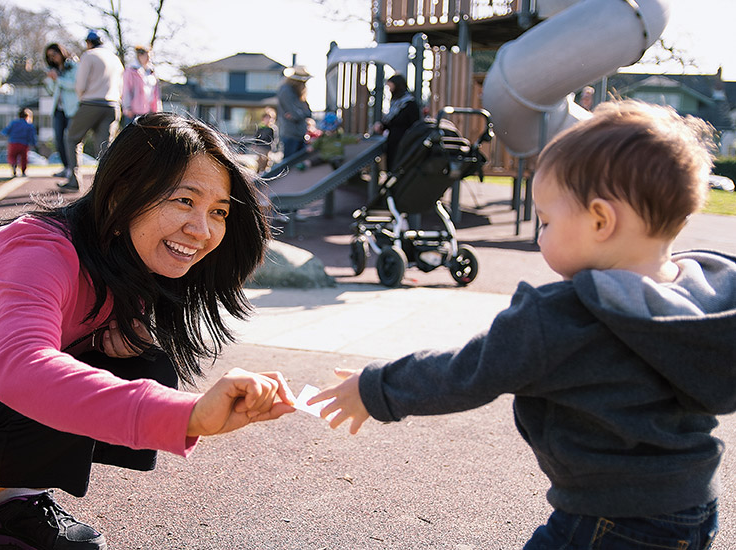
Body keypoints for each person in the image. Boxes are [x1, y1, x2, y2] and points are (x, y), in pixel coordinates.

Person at [310, 100, 733, 549]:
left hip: (609, 518)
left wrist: (375, 388)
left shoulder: (564, 316)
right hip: (693, 510)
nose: (540, 235)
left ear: (600, 220)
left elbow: (468, 371)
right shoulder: (703, 303)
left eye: (546, 221)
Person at [0, 113, 295, 550]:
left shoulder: (125, 261)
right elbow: (24, 371)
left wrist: (111, 342)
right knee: (49, 385)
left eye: (218, 211)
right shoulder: (39, 253)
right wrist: (187, 415)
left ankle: (10, 499)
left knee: (142, 364)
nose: (202, 230)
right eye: (184, 201)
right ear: (121, 195)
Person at [60, 29, 124, 193]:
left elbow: (80, 84)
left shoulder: (89, 55)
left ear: (89, 43)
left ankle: (74, 180)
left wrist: (81, 97)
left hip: (91, 103)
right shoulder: (115, 58)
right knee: (104, 147)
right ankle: (106, 185)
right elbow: (121, 86)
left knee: (72, 138)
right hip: (113, 105)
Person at [44, 43, 79, 178]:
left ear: (61, 52)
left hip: (72, 109)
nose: (52, 58)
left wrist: (58, 79)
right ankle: (66, 167)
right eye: (49, 56)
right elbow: (52, 90)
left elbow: (75, 85)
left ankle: (73, 168)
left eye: (54, 54)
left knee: (70, 139)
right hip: (58, 109)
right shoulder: (53, 70)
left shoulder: (73, 66)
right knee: (58, 140)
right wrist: (51, 80)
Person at [372, 74, 420, 171]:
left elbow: (412, 123)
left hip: (403, 142)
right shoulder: (395, 103)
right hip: (393, 141)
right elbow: (392, 121)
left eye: (391, 87)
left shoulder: (409, 103)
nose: (390, 90)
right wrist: (382, 126)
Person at [276, 65, 313, 160]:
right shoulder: (286, 91)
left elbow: (308, 113)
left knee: (299, 163)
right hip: (290, 134)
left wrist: (299, 114)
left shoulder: (299, 93)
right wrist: (300, 114)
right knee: (289, 164)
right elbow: (296, 114)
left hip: (300, 134)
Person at [122, 45, 162, 126]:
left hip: (149, 111)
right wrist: (127, 107)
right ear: (139, 56)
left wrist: (158, 110)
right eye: (147, 56)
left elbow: (156, 94)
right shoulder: (131, 70)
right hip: (134, 111)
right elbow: (126, 90)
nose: (149, 59)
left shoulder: (151, 72)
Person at [0, 108, 37, 177]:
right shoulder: (29, 125)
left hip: (13, 143)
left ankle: (14, 166)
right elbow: (32, 136)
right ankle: (23, 171)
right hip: (24, 144)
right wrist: (34, 144)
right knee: (24, 158)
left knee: (12, 156)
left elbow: (5, 131)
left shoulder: (14, 123)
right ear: (27, 116)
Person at [252, 107, 277, 174]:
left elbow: (274, 139)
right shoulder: (260, 128)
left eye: (269, 118)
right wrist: (254, 144)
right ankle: (259, 171)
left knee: (267, 160)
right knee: (260, 159)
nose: (268, 120)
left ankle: (265, 171)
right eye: (266, 118)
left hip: (267, 147)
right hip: (260, 146)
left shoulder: (272, 129)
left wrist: (274, 147)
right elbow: (256, 137)